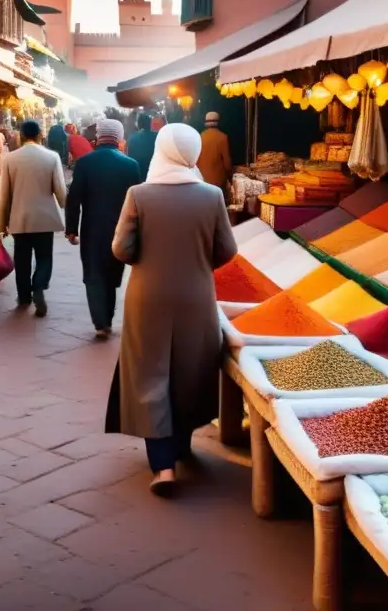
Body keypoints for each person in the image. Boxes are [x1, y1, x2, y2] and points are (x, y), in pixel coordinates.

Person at [105, 123, 237, 496]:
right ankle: (181, 447)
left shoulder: (139, 195)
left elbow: (121, 249)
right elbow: (227, 250)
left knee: (149, 372)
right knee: (189, 368)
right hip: (196, 295)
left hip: (147, 296)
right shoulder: (211, 196)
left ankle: (163, 466)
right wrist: (196, 259)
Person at [65, 119, 141, 338]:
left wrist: (72, 228)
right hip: (121, 230)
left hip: (92, 229)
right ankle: (106, 316)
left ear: (98, 137)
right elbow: (138, 202)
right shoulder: (130, 165)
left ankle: (101, 323)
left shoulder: (85, 163)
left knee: (94, 274)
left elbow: (74, 198)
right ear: (118, 138)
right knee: (112, 273)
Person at [0, 119, 67, 317]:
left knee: (22, 259)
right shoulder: (51, 157)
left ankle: (25, 296)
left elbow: (4, 195)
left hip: (20, 217)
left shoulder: (10, 159)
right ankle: (39, 285)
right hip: (45, 218)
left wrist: (1, 224)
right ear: (39, 135)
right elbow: (60, 192)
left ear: (20, 135)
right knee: (45, 257)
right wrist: (64, 204)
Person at [196, 111, 232, 196]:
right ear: (218, 122)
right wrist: (231, 174)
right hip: (218, 183)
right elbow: (227, 162)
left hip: (201, 181)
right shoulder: (223, 137)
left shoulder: (200, 137)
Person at [126, 112, 157, 181]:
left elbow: (129, 156)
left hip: (137, 175)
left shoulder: (132, 138)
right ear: (150, 124)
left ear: (138, 124)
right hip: (153, 175)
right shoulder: (157, 137)